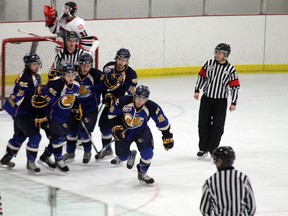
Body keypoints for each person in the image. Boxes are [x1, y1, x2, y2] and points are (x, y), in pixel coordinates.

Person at [108, 85, 174, 184]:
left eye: (143, 99)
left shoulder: (152, 107)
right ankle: (130, 154)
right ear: (134, 96)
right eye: (138, 97)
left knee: (148, 154)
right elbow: (112, 115)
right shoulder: (123, 101)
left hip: (141, 131)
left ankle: (142, 173)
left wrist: (167, 136)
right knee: (122, 157)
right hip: (124, 131)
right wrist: (116, 127)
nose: (140, 101)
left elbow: (162, 121)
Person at [194, 43, 240, 158]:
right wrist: (197, 90)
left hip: (221, 102)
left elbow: (235, 86)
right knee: (203, 124)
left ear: (225, 55)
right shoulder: (209, 63)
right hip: (207, 99)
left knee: (218, 127)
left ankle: (213, 149)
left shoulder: (230, 69)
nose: (217, 54)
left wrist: (233, 102)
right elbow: (202, 76)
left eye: (220, 53)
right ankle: (203, 148)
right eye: (216, 52)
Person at [0, 53, 43, 175]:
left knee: (19, 136)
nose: (37, 66)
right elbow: (25, 96)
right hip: (23, 113)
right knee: (35, 136)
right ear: (28, 65)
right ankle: (31, 163)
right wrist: (38, 92)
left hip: (18, 111)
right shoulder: (26, 78)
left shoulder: (33, 76)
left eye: (37, 63)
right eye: (34, 64)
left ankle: (6, 158)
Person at [35, 63, 80, 173]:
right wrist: (42, 117)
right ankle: (59, 160)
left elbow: (73, 99)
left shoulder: (76, 85)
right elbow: (43, 102)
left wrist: (76, 109)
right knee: (59, 137)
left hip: (64, 117)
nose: (71, 77)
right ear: (63, 75)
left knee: (63, 136)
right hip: (52, 116)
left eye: (73, 75)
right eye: (68, 75)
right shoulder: (55, 85)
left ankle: (45, 156)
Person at [62, 52, 104, 164]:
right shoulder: (73, 72)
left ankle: (87, 151)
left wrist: (106, 96)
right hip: (73, 108)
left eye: (88, 66)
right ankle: (70, 153)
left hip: (89, 109)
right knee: (71, 132)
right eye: (83, 65)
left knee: (83, 130)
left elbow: (105, 87)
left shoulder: (96, 75)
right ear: (79, 64)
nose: (85, 68)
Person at [96, 48, 138, 160]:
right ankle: (107, 149)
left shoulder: (131, 74)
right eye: (119, 59)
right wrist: (105, 96)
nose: (120, 62)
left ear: (127, 61)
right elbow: (103, 84)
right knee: (104, 127)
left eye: (123, 60)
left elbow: (131, 93)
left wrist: (118, 84)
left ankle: (123, 154)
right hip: (109, 104)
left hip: (123, 107)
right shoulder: (108, 67)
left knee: (119, 130)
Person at [200, 146, 256, 215]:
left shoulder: (210, 182)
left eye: (215, 160)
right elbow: (252, 208)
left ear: (219, 161)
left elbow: (204, 209)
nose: (214, 163)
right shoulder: (243, 178)